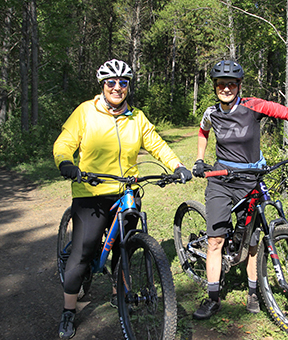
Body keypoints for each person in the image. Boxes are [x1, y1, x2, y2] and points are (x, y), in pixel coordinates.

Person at [53, 59, 192, 339]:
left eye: (123, 82)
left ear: (128, 86)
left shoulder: (136, 117)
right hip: (91, 191)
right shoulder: (85, 112)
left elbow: (156, 143)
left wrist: (176, 165)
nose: (117, 88)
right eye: (111, 82)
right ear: (103, 86)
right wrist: (66, 163)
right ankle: (69, 311)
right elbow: (64, 142)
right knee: (82, 253)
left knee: (124, 246)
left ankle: (120, 292)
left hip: (126, 190)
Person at [191, 60, 288, 320]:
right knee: (216, 240)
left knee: (254, 241)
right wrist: (200, 160)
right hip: (221, 179)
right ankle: (212, 298)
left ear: (239, 86)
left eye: (231, 84)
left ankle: (254, 292)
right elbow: (203, 132)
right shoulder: (211, 112)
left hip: (250, 179)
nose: (226, 88)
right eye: (221, 84)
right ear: (215, 86)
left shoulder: (253, 106)